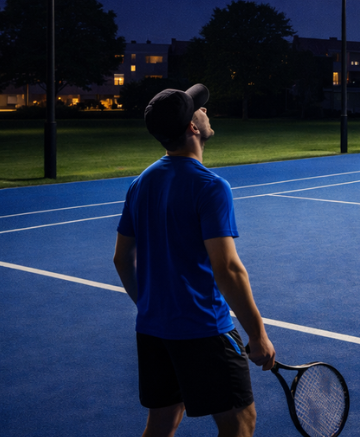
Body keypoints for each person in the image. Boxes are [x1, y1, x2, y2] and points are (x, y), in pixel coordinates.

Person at [113, 84, 276, 437]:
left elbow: (122, 259)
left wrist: (150, 305)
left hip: (153, 330)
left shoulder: (140, 183)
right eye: (199, 109)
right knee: (240, 424)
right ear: (191, 127)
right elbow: (228, 269)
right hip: (202, 330)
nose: (206, 112)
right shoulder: (210, 186)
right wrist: (257, 334)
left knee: (161, 424)